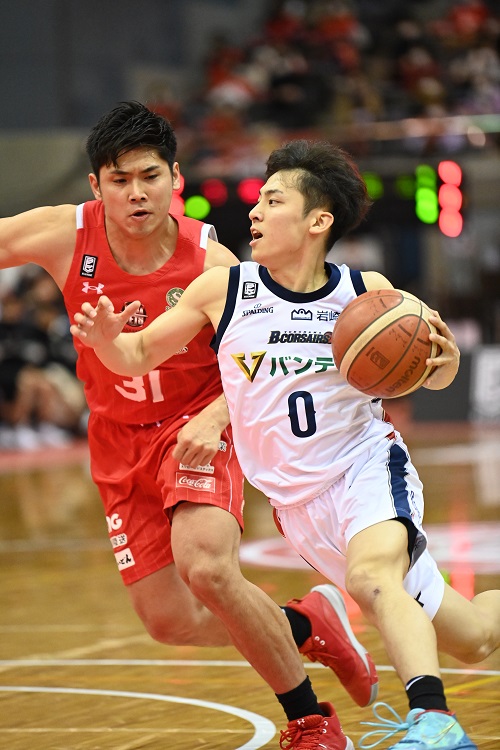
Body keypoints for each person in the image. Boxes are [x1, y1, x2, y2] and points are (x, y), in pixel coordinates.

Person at [72, 138, 500, 750]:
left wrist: (444, 362)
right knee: (473, 637)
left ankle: (435, 722)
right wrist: (106, 340)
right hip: (298, 506)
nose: (254, 211)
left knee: (372, 578)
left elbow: (432, 373)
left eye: (273, 201)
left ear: (317, 222)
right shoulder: (224, 289)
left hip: (363, 468)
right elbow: (136, 353)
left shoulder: (369, 293)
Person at [0, 103, 379, 750]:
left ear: (175, 178)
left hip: (197, 423)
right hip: (117, 436)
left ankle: (311, 721)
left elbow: (267, 360)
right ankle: (307, 624)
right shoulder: (64, 232)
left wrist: (216, 415)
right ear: (95, 186)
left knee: (206, 567)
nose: (136, 192)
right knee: (170, 622)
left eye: (150, 176)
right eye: (119, 179)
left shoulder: (213, 263)